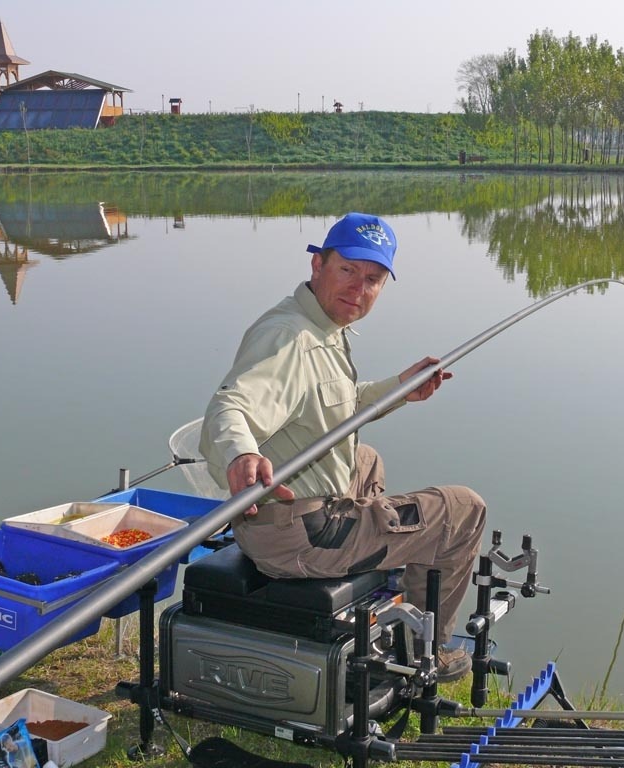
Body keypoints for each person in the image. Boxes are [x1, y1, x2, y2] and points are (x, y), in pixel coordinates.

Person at [199, 212, 486, 681]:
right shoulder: (290, 340)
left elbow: (338, 404)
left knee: (366, 459)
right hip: (296, 536)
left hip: (284, 519)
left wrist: (399, 388)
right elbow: (231, 406)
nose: (359, 288)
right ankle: (422, 652)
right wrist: (240, 455)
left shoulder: (318, 326)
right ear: (318, 265)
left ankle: (376, 563)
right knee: (464, 509)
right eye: (348, 270)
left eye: (373, 278)